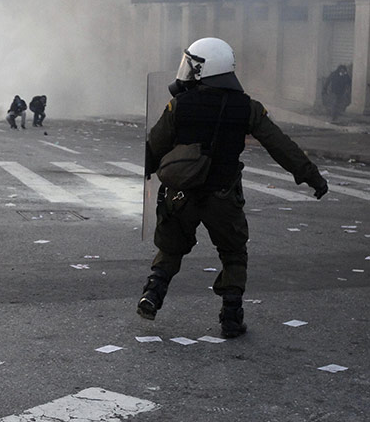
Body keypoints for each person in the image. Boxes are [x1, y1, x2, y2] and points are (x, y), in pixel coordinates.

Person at [140, 37, 329, 338]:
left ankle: (153, 294)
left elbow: (153, 146)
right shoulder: (247, 108)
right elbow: (281, 146)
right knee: (233, 253)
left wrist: (151, 174)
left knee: (170, 247)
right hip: (223, 197)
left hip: (182, 195)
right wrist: (312, 177)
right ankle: (231, 316)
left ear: (204, 69)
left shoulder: (179, 105)